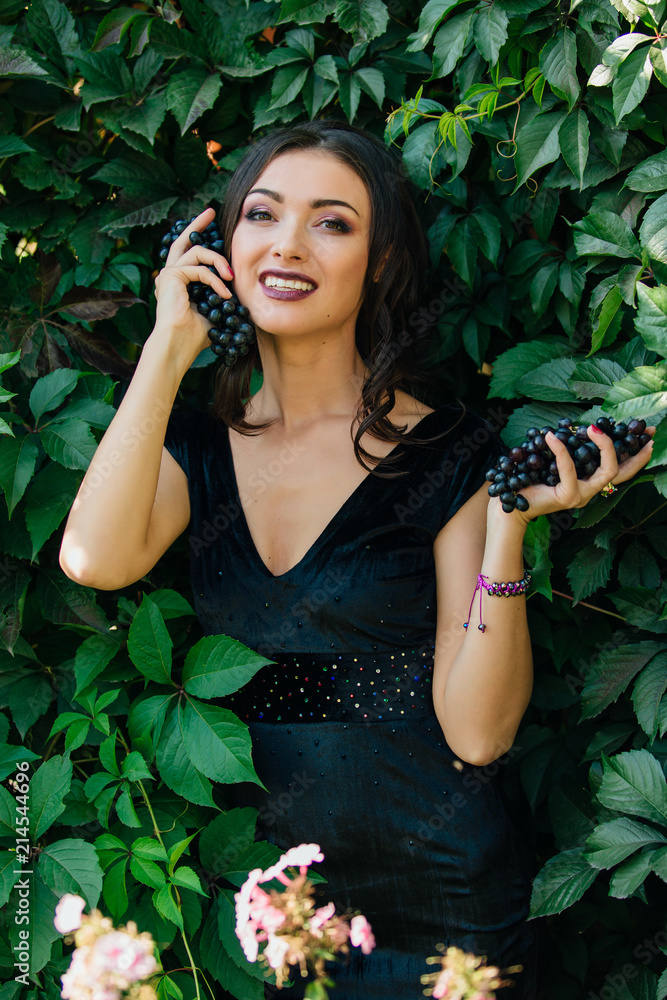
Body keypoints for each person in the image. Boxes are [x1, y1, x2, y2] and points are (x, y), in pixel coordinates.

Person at [59, 120, 654, 1000]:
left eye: (331, 222)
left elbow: (479, 735)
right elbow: (92, 561)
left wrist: (506, 525)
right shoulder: (194, 447)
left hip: (446, 912)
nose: (287, 244)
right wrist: (169, 345)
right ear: (219, 245)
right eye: (261, 214)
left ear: (380, 263)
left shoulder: (447, 452)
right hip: (281, 916)